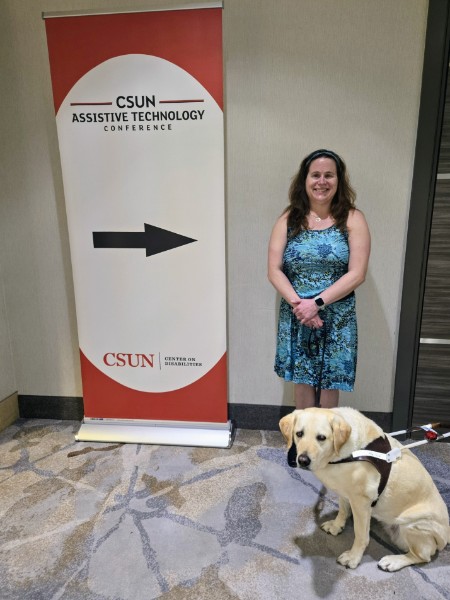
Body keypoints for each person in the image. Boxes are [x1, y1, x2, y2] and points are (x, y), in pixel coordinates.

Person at [268, 149, 370, 409]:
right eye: (315, 175)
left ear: (339, 180)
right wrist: (301, 306)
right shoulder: (289, 218)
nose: (321, 181)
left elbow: (357, 273)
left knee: (329, 383)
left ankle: (326, 449)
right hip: (297, 311)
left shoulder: (353, 218)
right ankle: (303, 447)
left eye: (329, 175)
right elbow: (274, 269)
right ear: (305, 180)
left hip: (336, 314)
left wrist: (317, 303)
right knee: (301, 381)